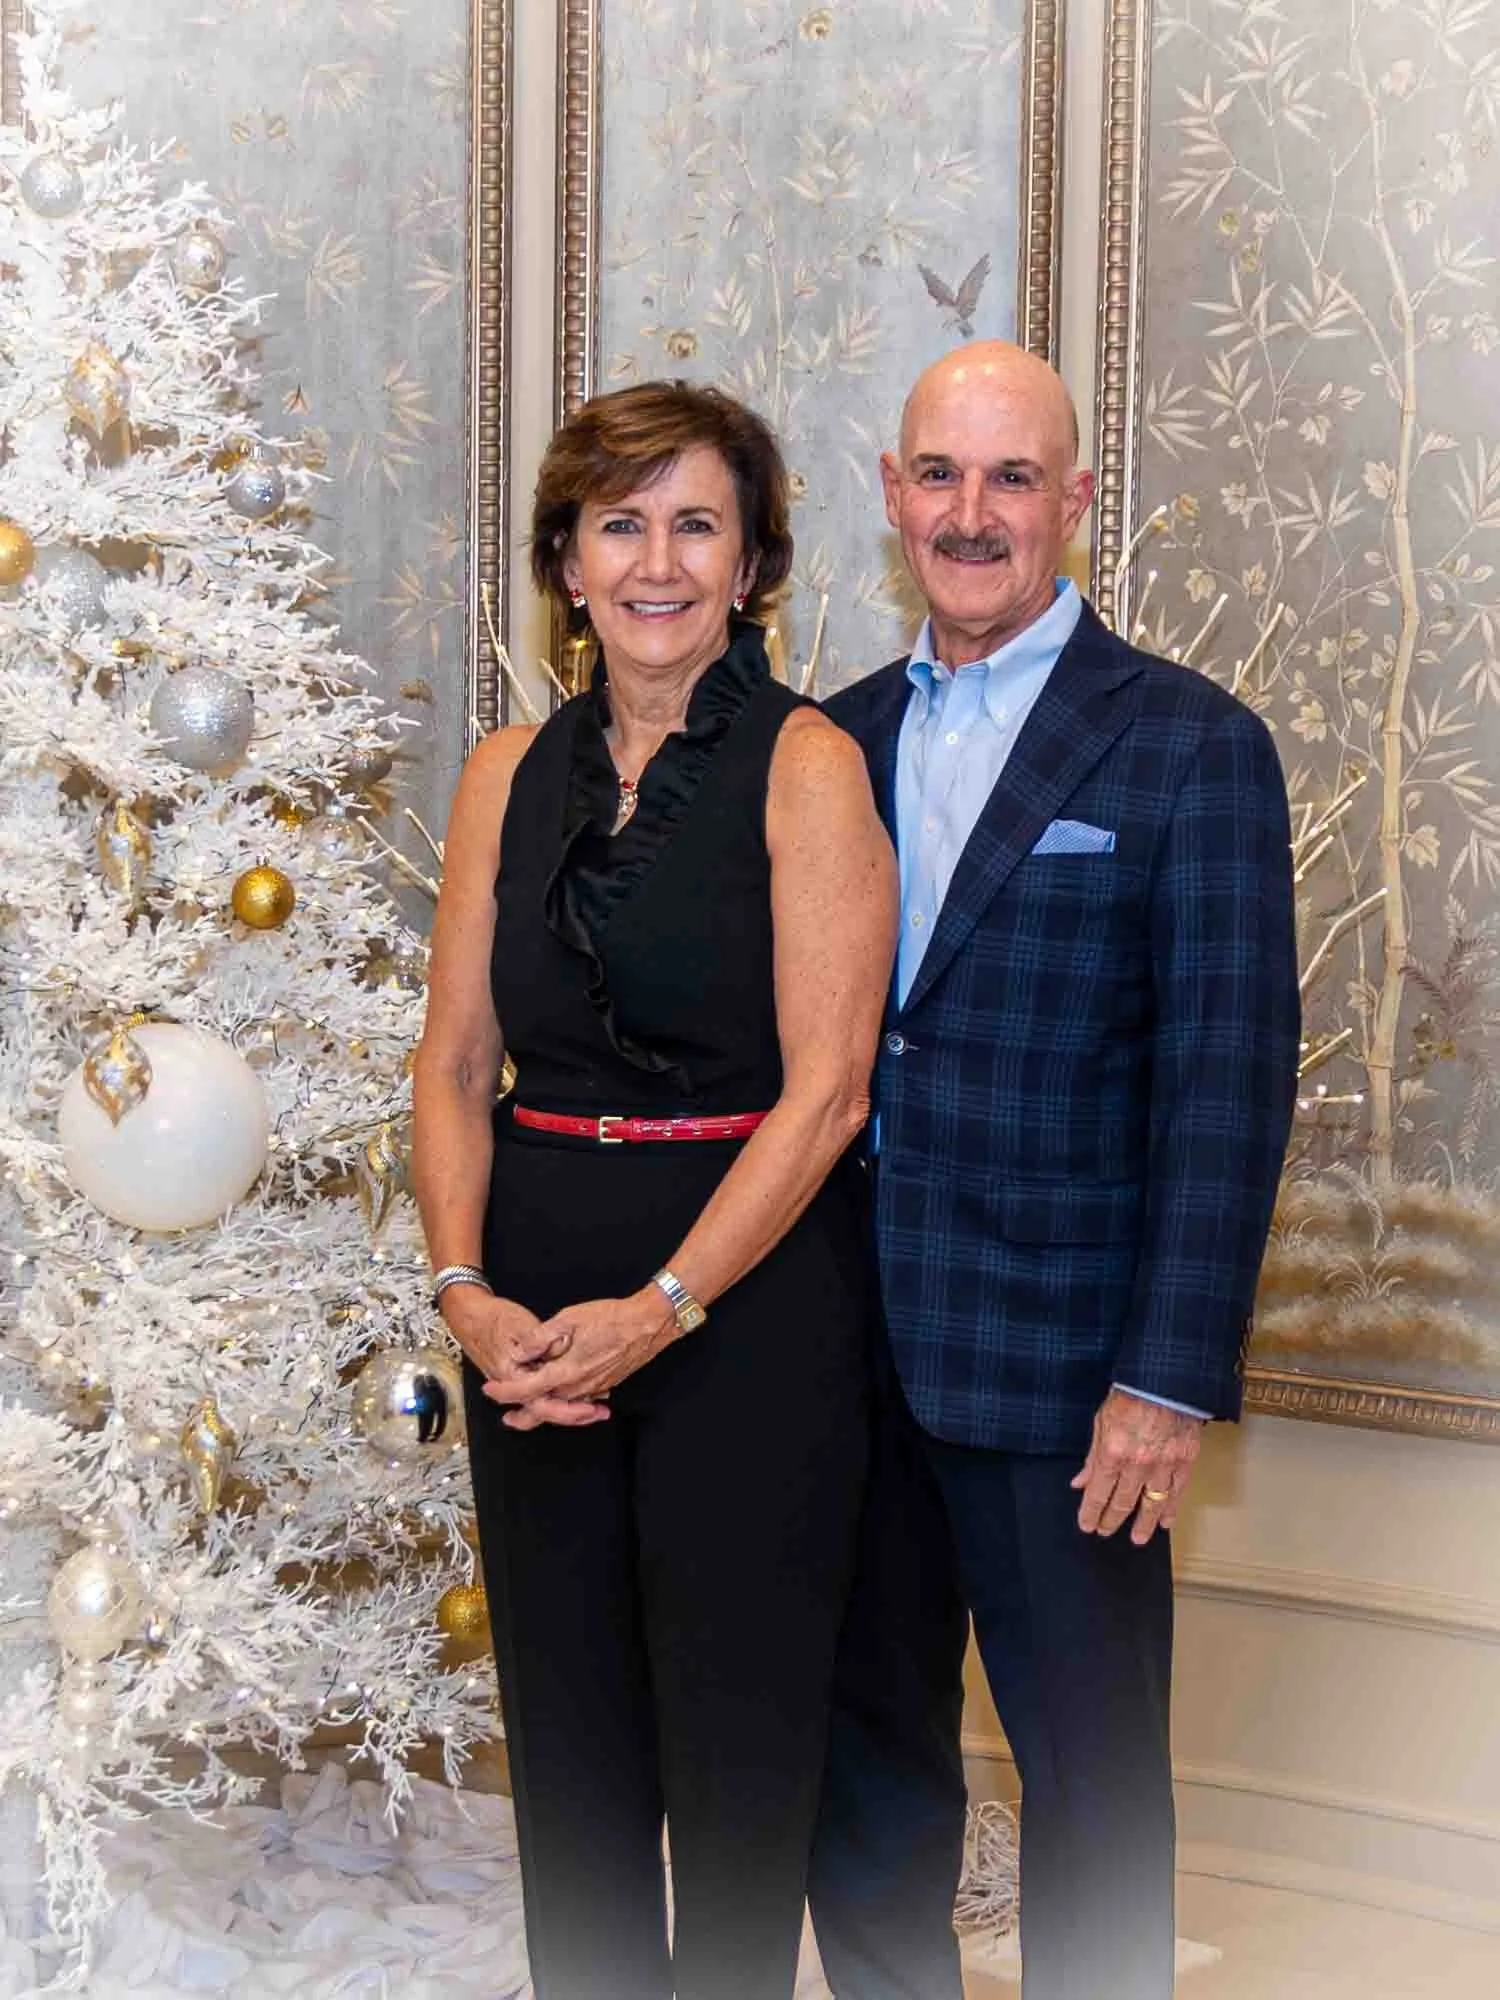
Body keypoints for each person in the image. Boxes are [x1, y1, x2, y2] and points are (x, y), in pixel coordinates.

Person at [806, 341, 1301, 2000]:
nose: (972, 512)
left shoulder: (1187, 747)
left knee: (1090, 1797)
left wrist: (1164, 1378)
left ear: (1075, 501)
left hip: (1069, 1381)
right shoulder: (830, 743)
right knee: (868, 1775)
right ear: (892, 498)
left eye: (1012, 477)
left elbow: (1226, 1082)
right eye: (939, 475)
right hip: (845, 1356)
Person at [410, 379, 897, 2000]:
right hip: (532, 1309)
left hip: (748, 1303)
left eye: (697, 522)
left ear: (752, 563)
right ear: (567, 559)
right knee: (571, 1741)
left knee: (742, 1749)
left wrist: (667, 1306)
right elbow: (456, 1063)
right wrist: (466, 1294)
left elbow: (829, 1093)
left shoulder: (808, 763)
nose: (657, 561)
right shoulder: (502, 772)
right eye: (620, 524)